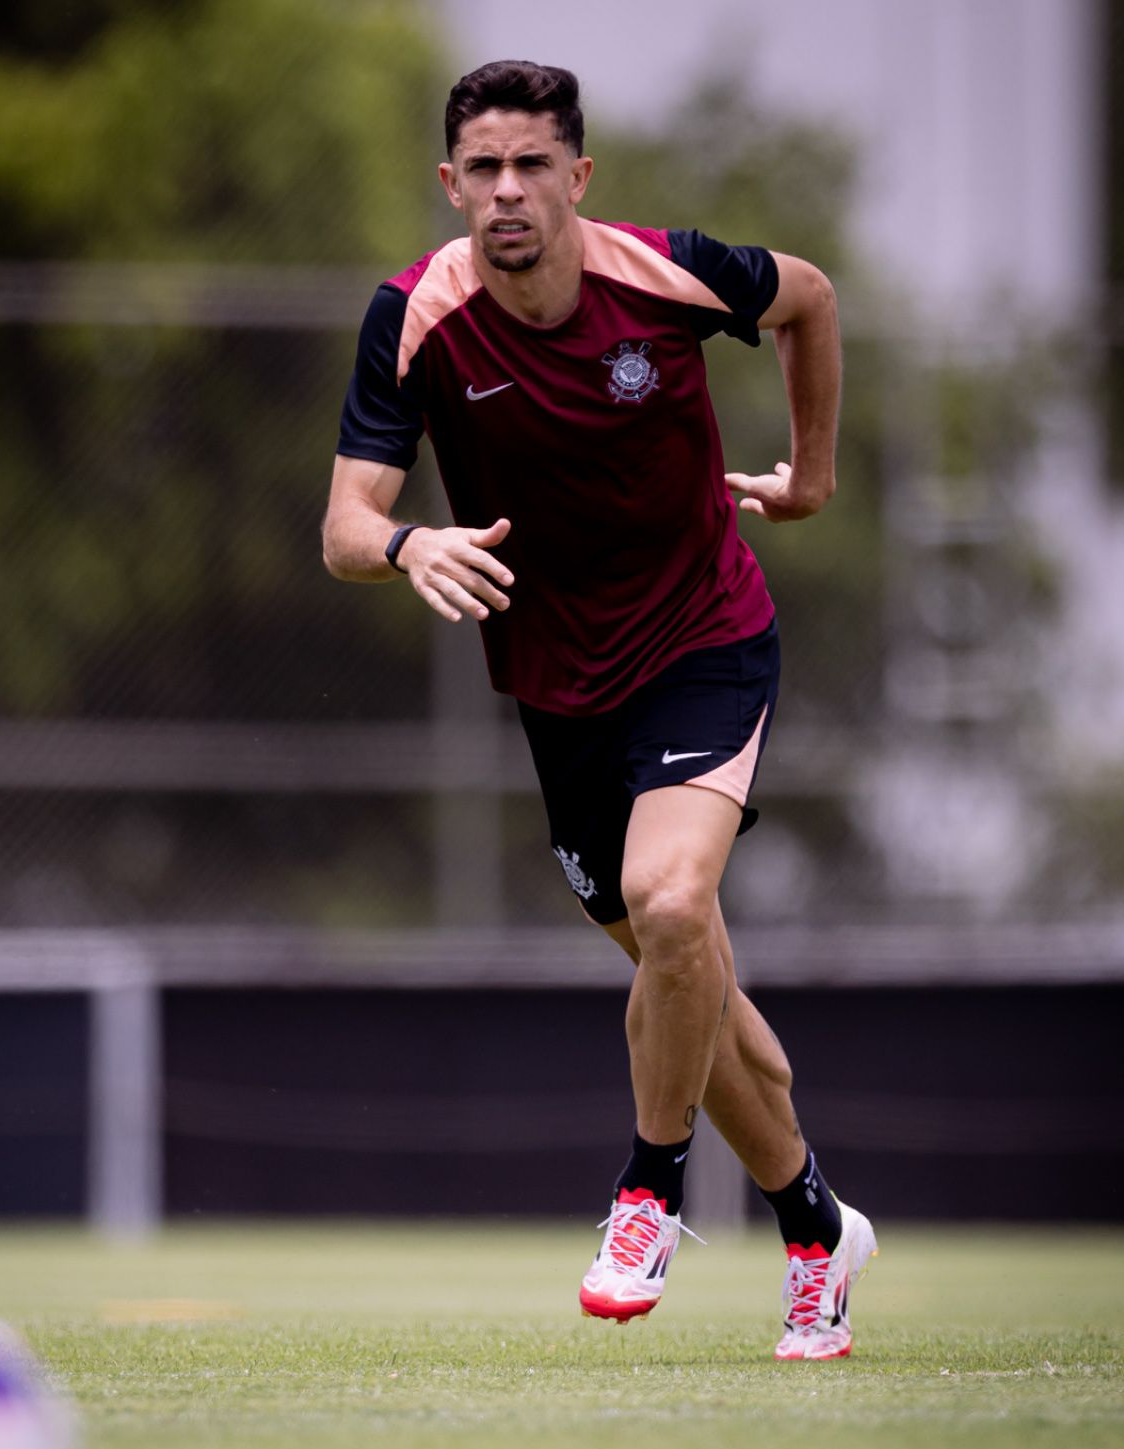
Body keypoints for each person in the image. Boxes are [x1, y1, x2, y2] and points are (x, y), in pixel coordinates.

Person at [323, 60, 876, 1359]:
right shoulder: (414, 316)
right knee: (696, 988)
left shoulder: (663, 275)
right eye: (483, 169)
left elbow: (809, 296)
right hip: (559, 689)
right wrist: (407, 550)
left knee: (675, 904)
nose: (507, 190)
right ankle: (816, 1232)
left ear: (578, 178)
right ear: (450, 183)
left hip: (704, 638)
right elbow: (345, 526)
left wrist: (810, 473)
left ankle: (646, 1191)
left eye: (533, 165)